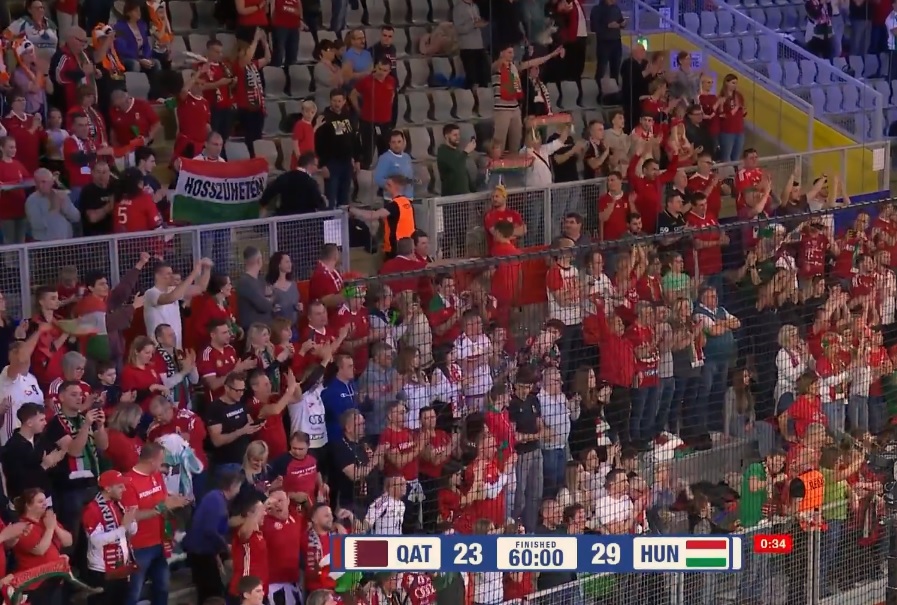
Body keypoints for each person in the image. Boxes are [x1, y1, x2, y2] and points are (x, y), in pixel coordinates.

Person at [122, 443, 191, 605]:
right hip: (139, 547)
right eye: (161, 460)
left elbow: (163, 499)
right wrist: (161, 508)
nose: (163, 464)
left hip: (160, 541)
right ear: (151, 461)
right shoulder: (128, 483)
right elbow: (133, 515)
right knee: (134, 592)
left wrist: (177, 501)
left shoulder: (157, 475)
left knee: (162, 587)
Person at [81, 470, 139, 605]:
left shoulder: (117, 504)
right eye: (120, 486)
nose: (124, 489)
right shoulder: (92, 509)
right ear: (107, 488)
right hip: (102, 572)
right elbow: (96, 540)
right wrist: (123, 528)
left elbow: (130, 531)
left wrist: (131, 523)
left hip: (121, 568)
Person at [348, 174, 415, 259]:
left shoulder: (394, 205)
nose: (386, 188)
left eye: (389, 185)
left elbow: (372, 216)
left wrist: (351, 210)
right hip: (407, 246)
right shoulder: (407, 203)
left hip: (395, 248)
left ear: (397, 187)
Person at [350, 57, 396, 169]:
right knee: (368, 152)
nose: (381, 72)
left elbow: (392, 95)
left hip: (385, 122)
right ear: (375, 67)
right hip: (368, 121)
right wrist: (358, 109)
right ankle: (362, 174)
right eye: (379, 69)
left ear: (389, 71)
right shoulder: (366, 80)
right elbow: (352, 95)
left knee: (385, 152)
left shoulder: (391, 80)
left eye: (385, 70)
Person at [25, 168, 80, 241]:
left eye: (44, 182)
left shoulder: (61, 195)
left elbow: (76, 217)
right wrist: (53, 209)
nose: (41, 186)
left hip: (66, 241)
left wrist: (65, 206)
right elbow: (37, 226)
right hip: (45, 243)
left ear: (52, 182)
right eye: (38, 182)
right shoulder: (32, 200)